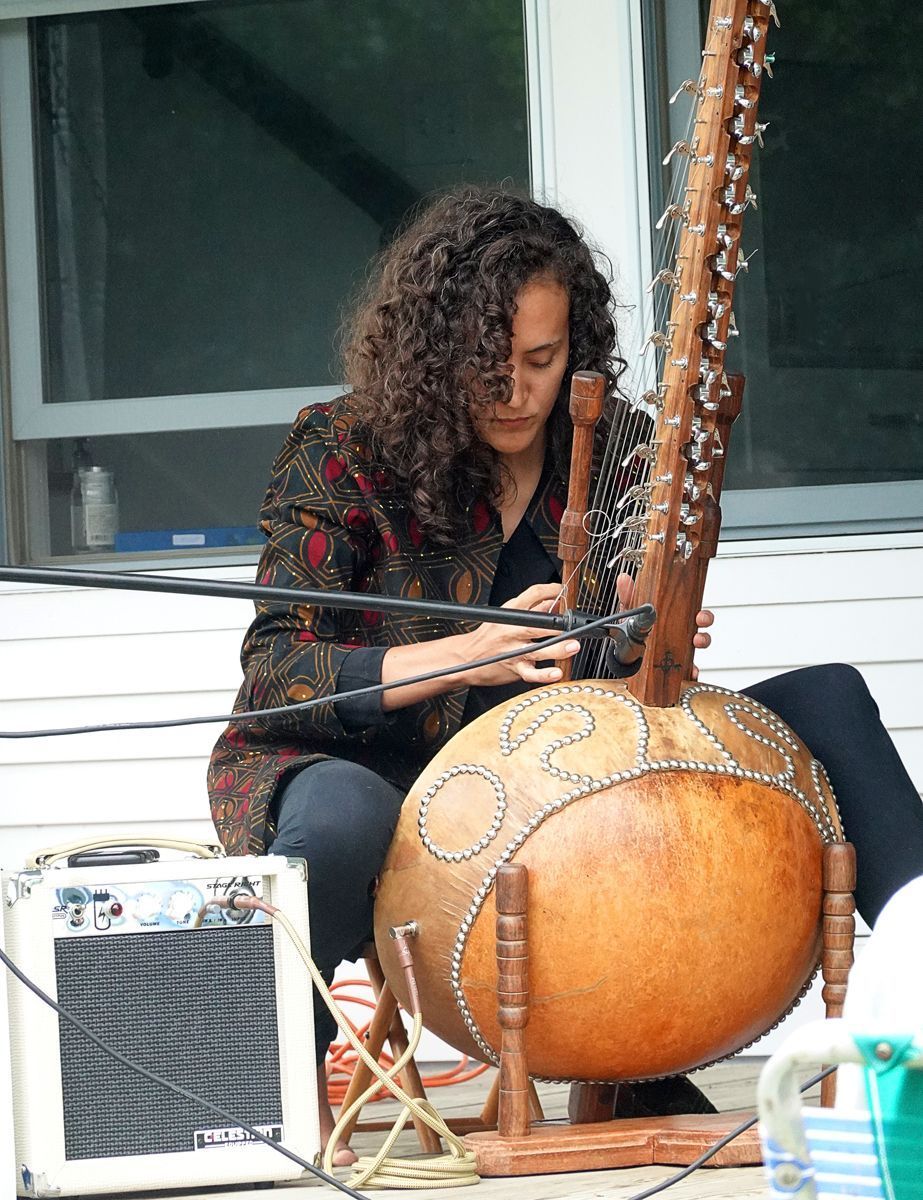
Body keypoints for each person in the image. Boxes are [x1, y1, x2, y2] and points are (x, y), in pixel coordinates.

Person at [208, 187, 923, 1161]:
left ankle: (916, 971)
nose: (514, 393)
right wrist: (476, 647)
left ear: (573, 349)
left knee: (828, 695)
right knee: (339, 818)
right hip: (379, 771)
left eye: (541, 363)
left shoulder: (618, 444)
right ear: (430, 358)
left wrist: (646, 631)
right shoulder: (339, 449)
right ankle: (264, 1075)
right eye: (486, 369)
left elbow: (610, 682)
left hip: (563, 783)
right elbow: (279, 671)